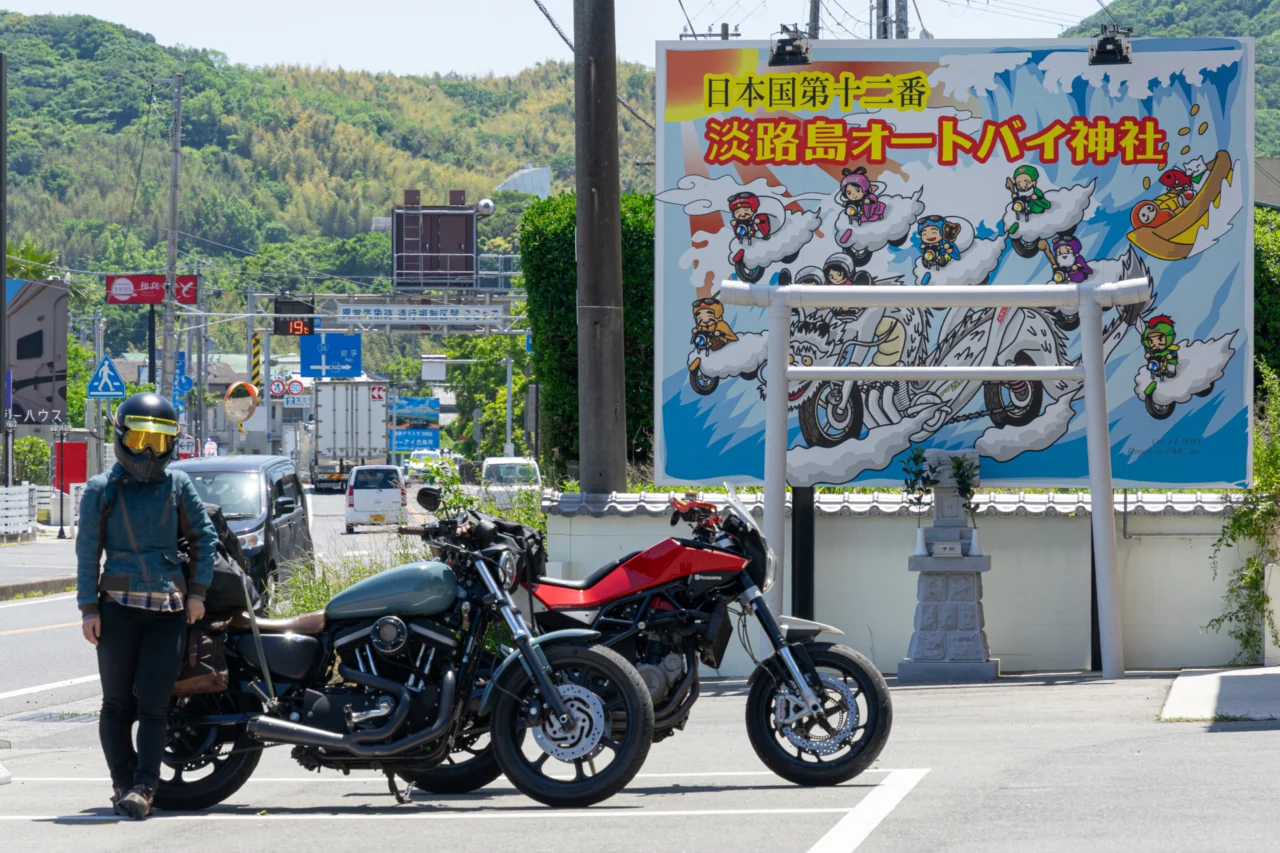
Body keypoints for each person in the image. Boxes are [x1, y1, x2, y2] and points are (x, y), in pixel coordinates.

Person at [76, 392, 217, 820]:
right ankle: (122, 783)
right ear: (121, 435)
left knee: (156, 706)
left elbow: (205, 539)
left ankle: (144, 788)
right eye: (140, 437)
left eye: (159, 440)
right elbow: (87, 553)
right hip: (116, 609)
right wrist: (88, 608)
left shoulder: (178, 485)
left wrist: (197, 595)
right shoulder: (101, 489)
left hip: (169, 612)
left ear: (173, 442)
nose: (149, 450)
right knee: (116, 704)